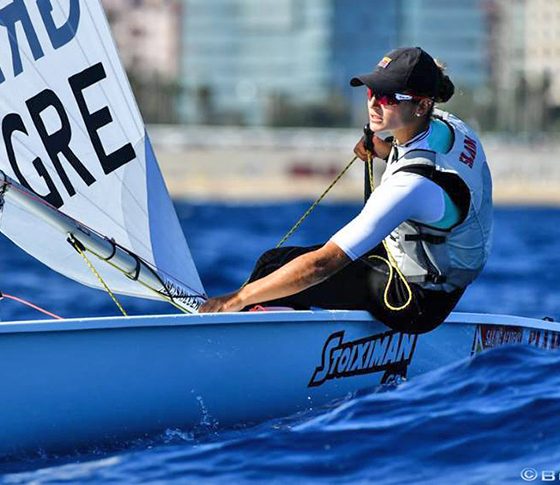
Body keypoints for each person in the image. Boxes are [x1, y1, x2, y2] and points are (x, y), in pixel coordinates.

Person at [199, 47, 493, 334]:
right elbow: (438, 170)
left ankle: (262, 344)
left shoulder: (409, 185)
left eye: (389, 97)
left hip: (415, 304)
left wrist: (235, 299)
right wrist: (384, 149)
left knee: (273, 270)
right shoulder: (450, 126)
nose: (374, 103)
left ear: (422, 105)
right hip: (441, 277)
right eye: (372, 92)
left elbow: (322, 265)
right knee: (275, 265)